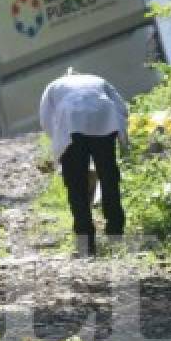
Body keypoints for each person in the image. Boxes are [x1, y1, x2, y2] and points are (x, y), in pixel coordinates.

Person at [39, 69, 128, 256]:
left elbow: (46, 118)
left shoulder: (54, 85)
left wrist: (58, 141)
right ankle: (116, 232)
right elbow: (121, 108)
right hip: (104, 119)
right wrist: (120, 134)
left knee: (76, 184)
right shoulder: (99, 79)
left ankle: (85, 242)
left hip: (71, 125)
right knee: (109, 177)